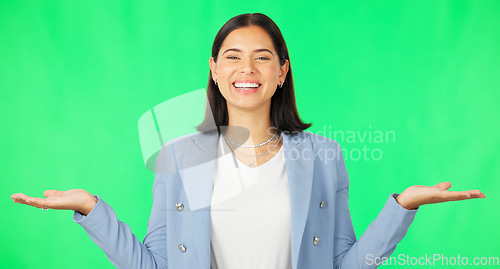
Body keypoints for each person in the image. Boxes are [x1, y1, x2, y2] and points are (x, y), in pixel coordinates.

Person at [11, 13, 485, 269]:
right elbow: (153, 266)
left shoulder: (322, 156)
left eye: (262, 57)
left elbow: (345, 263)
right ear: (215, 71)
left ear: (281, 72)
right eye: (233, 57)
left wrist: (402, 205)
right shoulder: (182, 157)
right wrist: (92, 208)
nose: (247, 69)